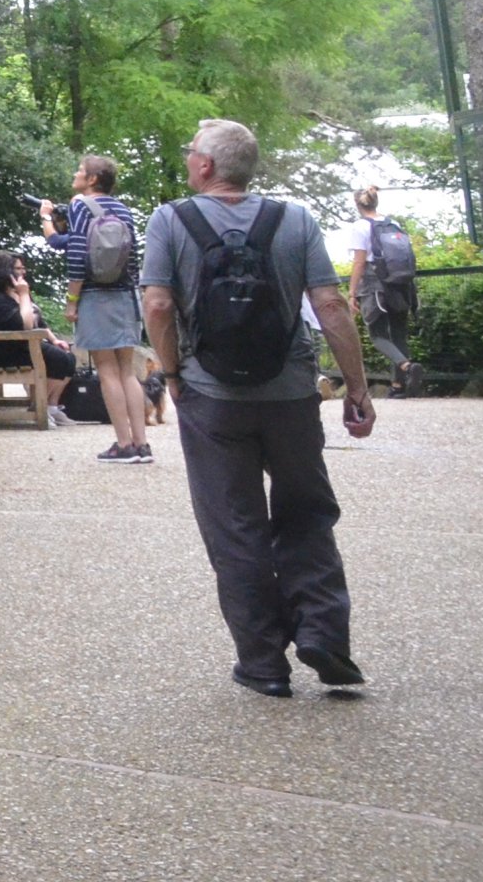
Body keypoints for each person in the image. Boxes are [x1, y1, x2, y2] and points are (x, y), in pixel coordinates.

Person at [141, 118, 375, 698]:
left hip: (212, 398)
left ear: (205, 166)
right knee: (307, 513)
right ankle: (323, 632)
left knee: (235, 527)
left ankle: (264, 663)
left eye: (193, 151)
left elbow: (159, 303)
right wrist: (358, 389)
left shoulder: (171, 220)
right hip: (291, 393)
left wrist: (172, 374)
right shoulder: (294, 219)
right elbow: (330, 304)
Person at [41, 154, 152, 461]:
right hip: (126, 296)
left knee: (107, 371)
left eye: (80, 170)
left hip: (95, 296)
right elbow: (130, 257)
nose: (75, 174)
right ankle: (142, 444)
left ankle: (124, 444)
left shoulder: (80, 205)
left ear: (92, 179)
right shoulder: (123, 209)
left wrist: (72, 301)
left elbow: (76, 255)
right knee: (127, 371)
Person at [330, 186, 422, 395]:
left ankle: (407, 367)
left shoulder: (360, 226)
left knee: (378, 335)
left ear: (357, 205)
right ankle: (398, 387)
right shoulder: (393, 223)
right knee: (398, 334)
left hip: (375, 285)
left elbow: (359, 262)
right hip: (400, 284)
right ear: (375, 202)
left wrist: (352, 292)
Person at [0, 252, 76, 383]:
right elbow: (26, 325)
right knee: (58, 358)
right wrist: (24, 295)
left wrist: (54, 340)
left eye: (23, 268)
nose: (23, 272)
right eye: (18, 269)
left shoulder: (14, 292)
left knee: (68, 357)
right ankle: (42, 401)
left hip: (17, 346)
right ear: (4, 271)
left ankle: (52, 402)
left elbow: (39, 323)